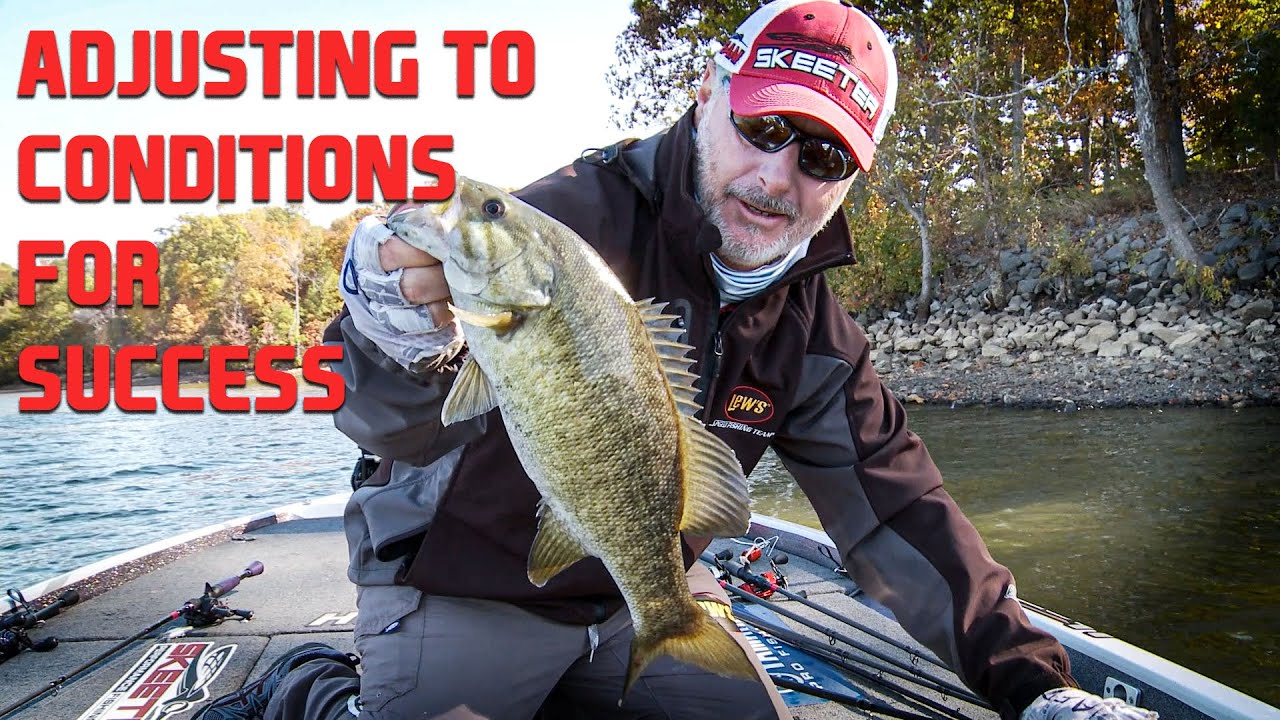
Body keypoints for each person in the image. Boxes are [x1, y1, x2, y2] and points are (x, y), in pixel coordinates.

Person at [194, 1, 1158, 719]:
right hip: (464, 582)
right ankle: (312, 689)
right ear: (707, 97)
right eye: (766, 127)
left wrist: (1037, 689)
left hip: (645, 586)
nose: (779, 176)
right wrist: (390, 331)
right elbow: (385, 424)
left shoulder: (811, 330)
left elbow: (899, 513)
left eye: (822, 157)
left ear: (852, 177)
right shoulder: (558, 228)